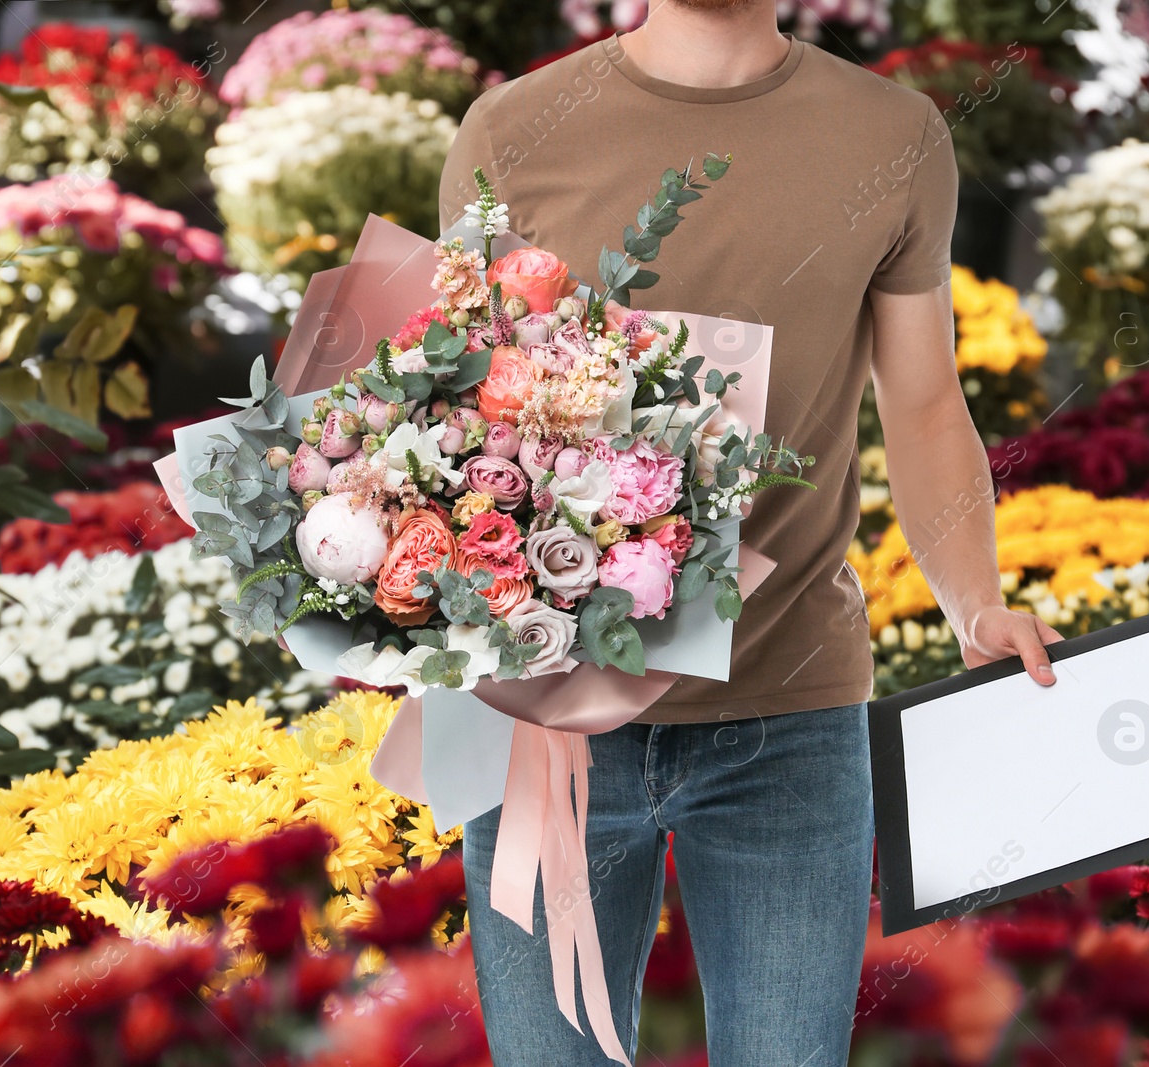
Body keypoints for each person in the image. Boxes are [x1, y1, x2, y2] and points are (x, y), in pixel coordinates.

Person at [438, 2, 1063, 1063]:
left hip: (789, 714)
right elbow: (453, 411)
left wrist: (974, 599)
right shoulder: (512, 129)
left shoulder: (895, 137)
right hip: (542, 722)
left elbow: (920, 400)